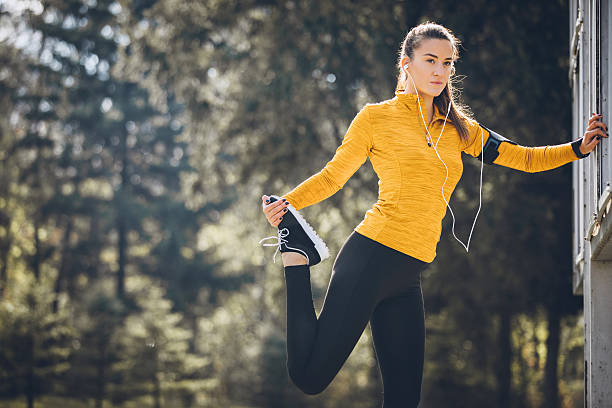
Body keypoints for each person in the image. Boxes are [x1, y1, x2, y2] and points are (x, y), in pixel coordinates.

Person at [259, 22, 608, 407]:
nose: (440, 71)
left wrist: (577, 148)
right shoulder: (376, 118)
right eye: (430, 60)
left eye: (447, 62)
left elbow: (520, 156)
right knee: (309, 378)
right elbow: (333, 176)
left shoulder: (459, 128)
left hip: (409, 273)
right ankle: (298, 255)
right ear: (407, 64)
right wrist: (287, 205)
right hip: (371, 256)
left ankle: (299, 249)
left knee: (405, 398)